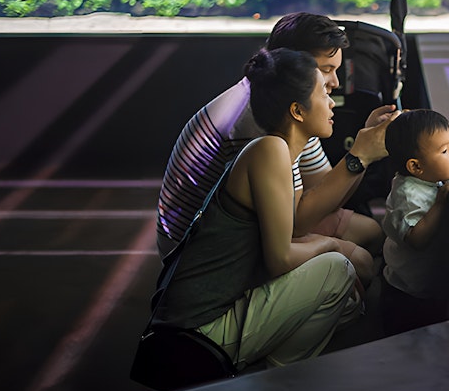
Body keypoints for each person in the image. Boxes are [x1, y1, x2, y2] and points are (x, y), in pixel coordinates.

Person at [153, 48, 363, 369]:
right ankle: (274, 388)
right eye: (323, 93)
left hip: (206, 315)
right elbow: (279, 260)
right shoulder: (270, 150)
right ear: (297, 110)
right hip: (199, 329)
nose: (332, 101)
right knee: (338, 269)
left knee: (347, 302)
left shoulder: (271, 148)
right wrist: (333, 244)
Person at [156, 13, 393, 267]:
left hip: (242, 227)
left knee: (370, 233)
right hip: (197, 252)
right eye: (326, 70)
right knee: (361, 256)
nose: (335, 82)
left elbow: (324, 189)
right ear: (293, 65)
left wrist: (365, 142)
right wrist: (360, 157)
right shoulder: (261, 124)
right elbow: (297, 222)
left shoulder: (284, 99)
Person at [380, 109, 449, 334]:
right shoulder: (408, 194)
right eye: (445, 151)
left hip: (423, 285)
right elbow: (416, 239)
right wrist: (439, 203)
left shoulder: (424, 178)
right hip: (407, 293)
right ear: (416, 167)